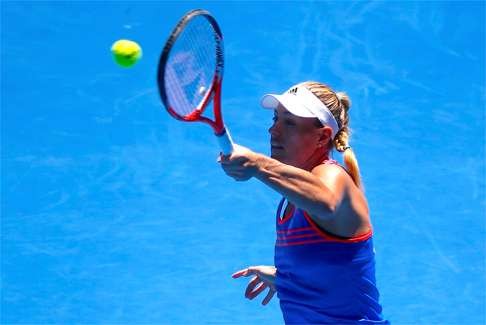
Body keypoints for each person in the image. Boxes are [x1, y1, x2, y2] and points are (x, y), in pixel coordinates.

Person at [219, 81, 389, 324]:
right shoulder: (291, 200)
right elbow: (335, 270)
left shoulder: (333, 177)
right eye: (275, 119)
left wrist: (258, 165)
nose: (273, 130)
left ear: (322, 137)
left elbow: (325, 202)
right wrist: (288, 279)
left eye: (289, 122)